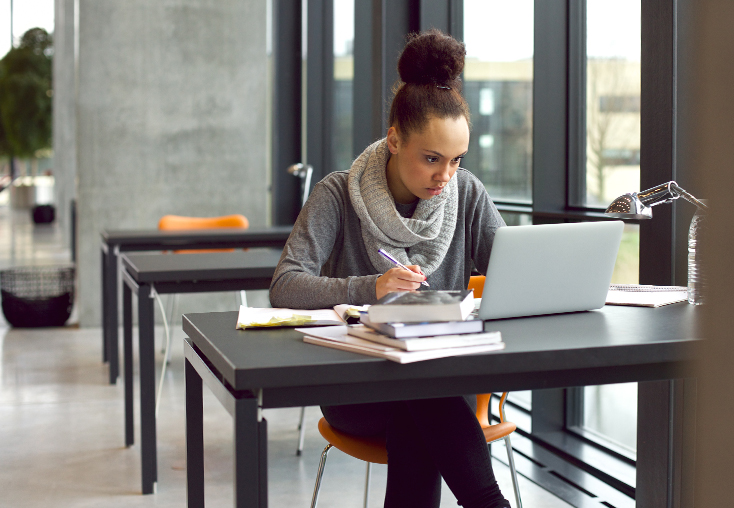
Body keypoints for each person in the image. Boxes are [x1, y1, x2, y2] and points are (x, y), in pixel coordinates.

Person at [270, 29, 510, 508]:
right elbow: (285, 286)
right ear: (395, 140)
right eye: (431, 159)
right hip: (357, 389)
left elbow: (512, 273)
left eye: (457, 161)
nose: (445, 177)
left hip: (439, 383)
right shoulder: (337, 194)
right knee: (424, 398)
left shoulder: (468, 195)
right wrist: (371, 287)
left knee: (421, 400)